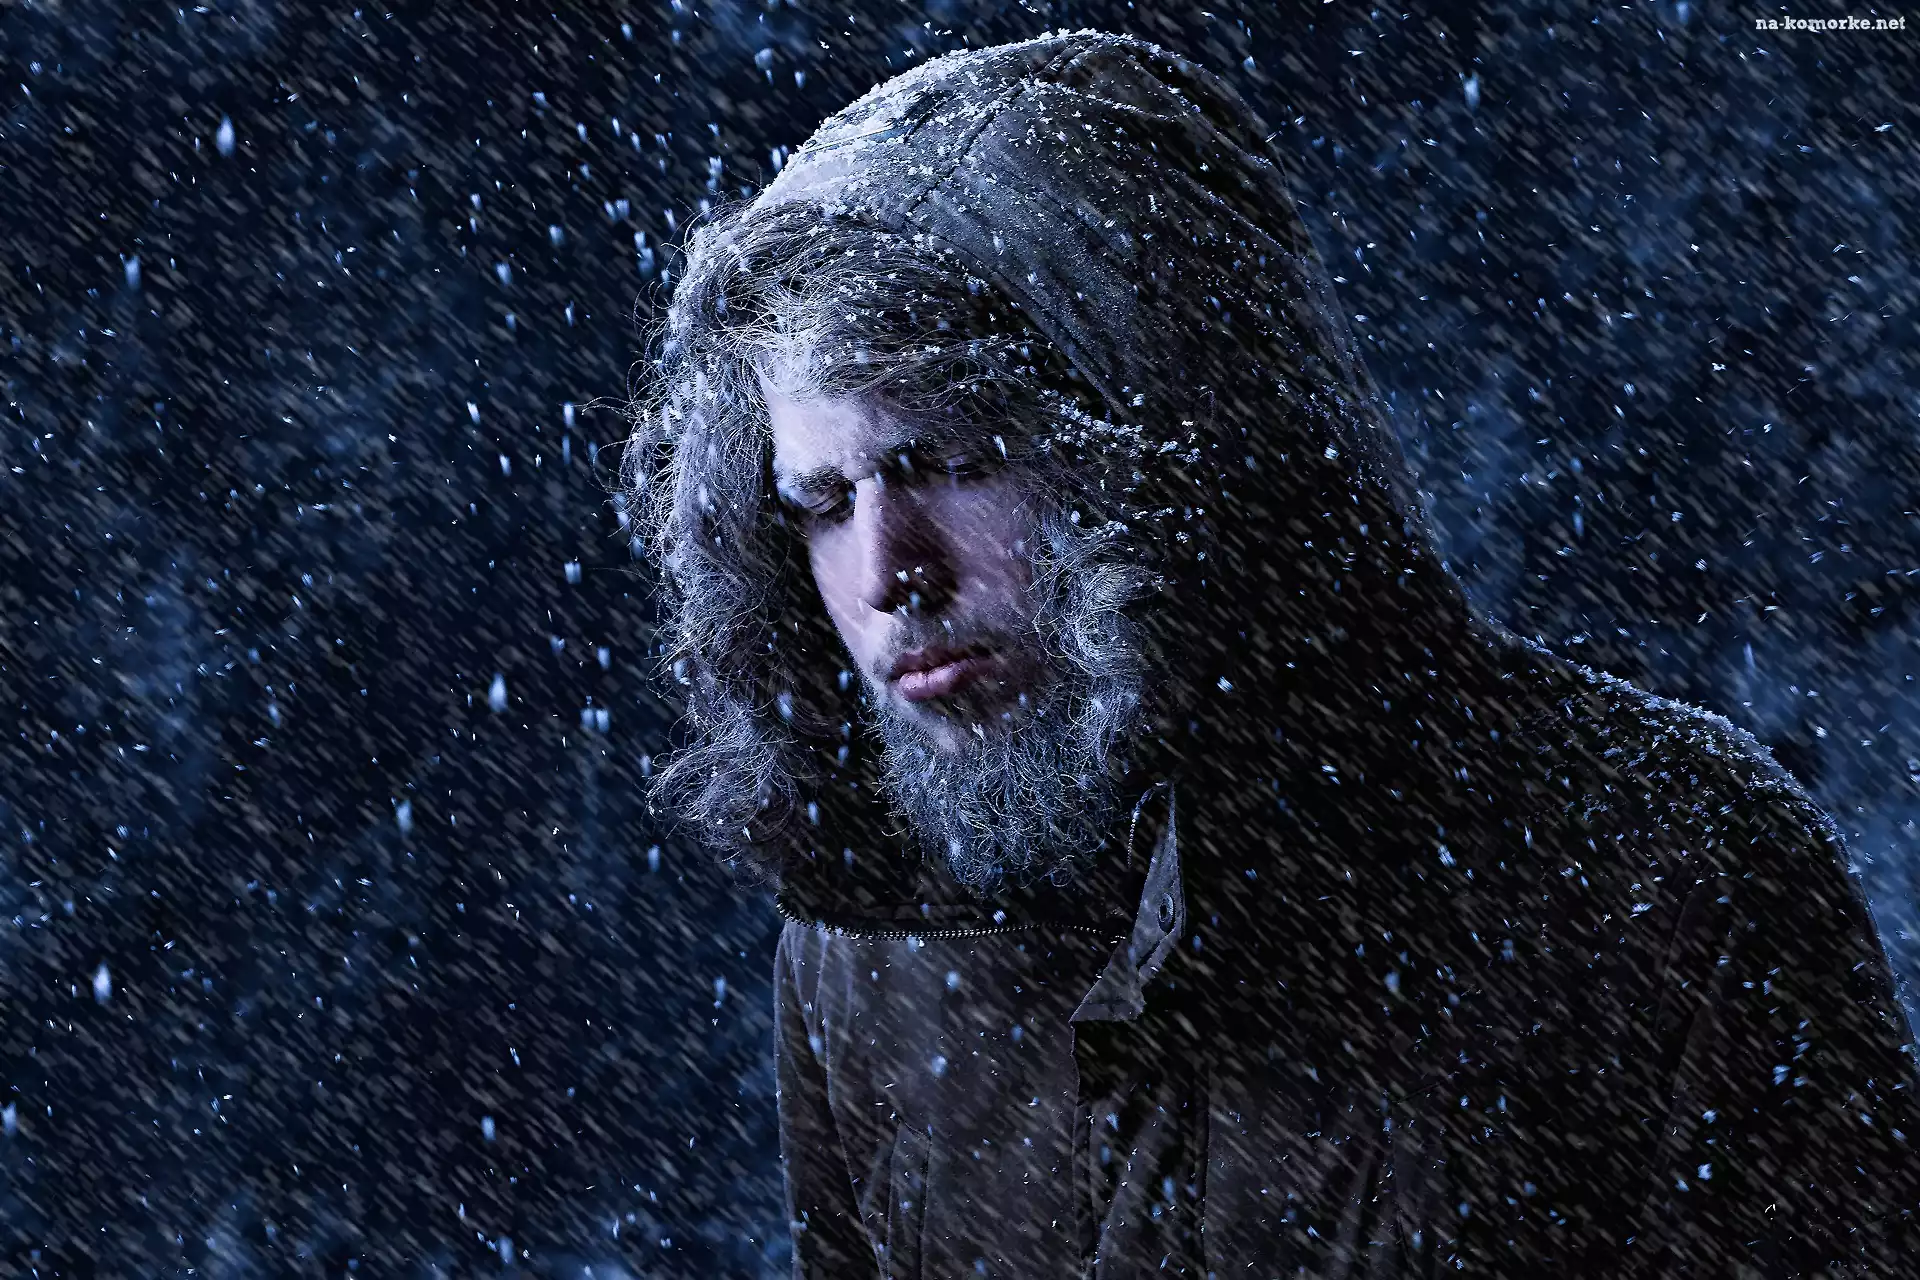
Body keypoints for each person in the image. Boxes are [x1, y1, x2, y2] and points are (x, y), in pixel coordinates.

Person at [622, 29, 1917, 1278]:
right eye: (820, 503)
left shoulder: (1666, 869)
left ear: (1174, 443)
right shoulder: (866, 953)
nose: (886, 574)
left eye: (951, 462)